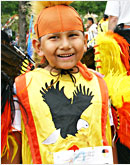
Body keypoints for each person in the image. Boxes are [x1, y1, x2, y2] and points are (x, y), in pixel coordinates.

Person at [1, 1, 117, 164]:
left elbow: (108, 139)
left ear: (85, 41)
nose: (65, 45)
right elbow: (12, 149)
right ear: (38, 46)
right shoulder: (23, 88)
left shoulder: (99, 84)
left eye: (72, 35)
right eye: (54, 37)